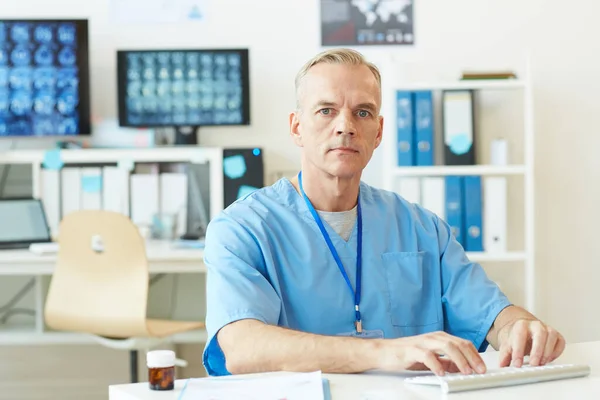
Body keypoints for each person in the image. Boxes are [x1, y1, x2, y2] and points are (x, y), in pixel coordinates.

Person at [201, 48, 565, 377]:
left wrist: (519, 327)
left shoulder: (421, 227)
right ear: (297, 127)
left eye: (363, 112)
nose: (345, 125)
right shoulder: (243, 228)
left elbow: (491, 315)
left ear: (378, 132)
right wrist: (383, 352)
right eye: (326, 110)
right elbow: (240, 346)